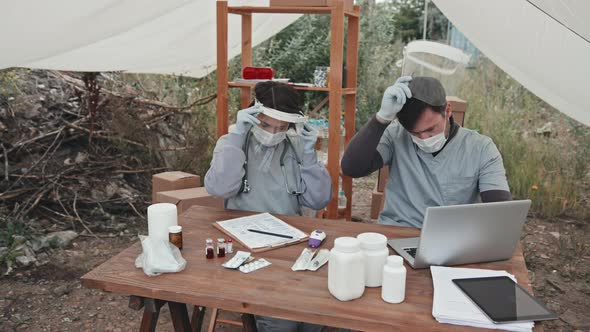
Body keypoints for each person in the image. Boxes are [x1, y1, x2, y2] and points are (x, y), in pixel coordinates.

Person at [205, 81, 331, 332]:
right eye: (264, 124)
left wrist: (308, 156)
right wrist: (237, 137)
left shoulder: (296, 148)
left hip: (290, 247)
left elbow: (318, 200)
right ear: (252, 116)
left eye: (281, 127)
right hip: (246, 247)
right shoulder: (232, 142)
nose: (272, 133)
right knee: (281, 321)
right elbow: (219, 188)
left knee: (316, 316)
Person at [341, 76, 511, 228]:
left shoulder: (481, 148)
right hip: (398, 233)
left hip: (454, 239)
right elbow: (352, 168)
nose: (424, 138)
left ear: (448, 110)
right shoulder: (395, 134)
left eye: (431, 129)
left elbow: (500, 212)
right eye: (415, 133)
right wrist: (381, 118)